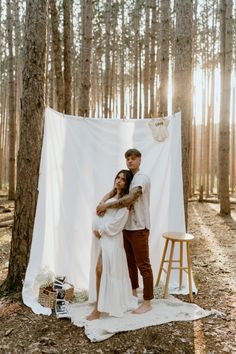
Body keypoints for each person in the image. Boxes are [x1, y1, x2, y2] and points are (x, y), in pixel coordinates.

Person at [97, 149, 153, 314]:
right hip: (126, 228)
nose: (130, 161)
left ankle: (148, 302)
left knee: (143, 265)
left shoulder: (141, 178)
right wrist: (104, 200)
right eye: (128, 158)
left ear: (140, 160)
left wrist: (105, 206)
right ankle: (133, 294)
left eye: (133, 158)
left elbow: (129, 199)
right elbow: (115, 190)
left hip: (139, 227)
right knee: (130, 265)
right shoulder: (129, 176)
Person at [87, 170, 138, 321]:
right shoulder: (111, 197)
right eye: (118, 177)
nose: (119, 181)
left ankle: (98, 309)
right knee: (99, 271)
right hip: (100, 239)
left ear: (127, 184)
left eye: (123, 180)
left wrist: (101, 230)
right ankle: (99, 301)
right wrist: (101, 210)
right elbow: (100, 206)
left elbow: (118, 224)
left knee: (101, 269)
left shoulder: (125, 204)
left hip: (111, 239)